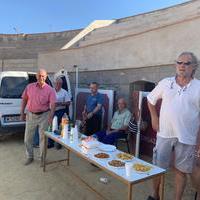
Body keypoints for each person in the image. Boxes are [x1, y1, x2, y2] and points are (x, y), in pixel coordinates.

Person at [147, 52, 200, 200]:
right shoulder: (165, 82)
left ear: (194, 67)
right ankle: (155, 195)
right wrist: (154, 117)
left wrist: (198, 142)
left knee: (180, 171)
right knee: (157, 168)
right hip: (164, 133)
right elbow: (150, 100)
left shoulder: (198, 87)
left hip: (187, 137)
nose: (182, 66)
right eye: (179, 62)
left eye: (186, 63)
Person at [20, 69, 56, 166]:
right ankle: (29, 157)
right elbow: (24, 100)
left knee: (43, 139)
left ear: (46, 76)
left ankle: (42, 159)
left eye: (43, 76)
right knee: (27, 138)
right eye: (39, 76)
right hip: (30, 115)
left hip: (44, 115)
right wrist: (22, 113)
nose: (41, 78)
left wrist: (51, 117)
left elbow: (53, 105)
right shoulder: (29, 87)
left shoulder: (50, 90)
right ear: (36, 77)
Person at [54, 77, 71, 149]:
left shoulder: (64, 92)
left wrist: (60, 103)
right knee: (52, 127)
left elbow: (68, 102)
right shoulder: (50, 91)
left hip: (61, 112)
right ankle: (51, 142)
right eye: (57, 83)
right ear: (54, 83)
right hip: (51, 111)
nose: (59, 84)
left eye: (60, 83)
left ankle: (59, 144)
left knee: (61, 128)